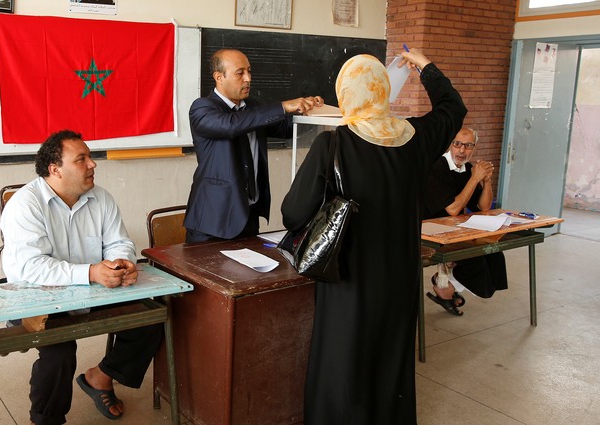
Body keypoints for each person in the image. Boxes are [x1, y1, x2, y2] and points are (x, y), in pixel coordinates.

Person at [281, 51, 466, 423]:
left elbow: (293, 214)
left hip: (348, 278)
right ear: (383, 91)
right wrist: (425, 65)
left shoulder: (333, 145)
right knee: (391, 358)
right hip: (400, 277)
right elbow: (453, 107)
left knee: (344, 361)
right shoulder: (417, 139)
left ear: (346, 92)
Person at [0, 130, 161, 425]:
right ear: (55, 169)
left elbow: (118, 241)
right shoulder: (24, 204)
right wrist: (90, 272)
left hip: (93, 289)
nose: (93, 165)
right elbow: (30, 267)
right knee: (60, 354)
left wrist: (122, 262)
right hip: (39, 296)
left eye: (91, 157)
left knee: (149, 319)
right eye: (82, 159)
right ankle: (45, 420)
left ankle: (100, 377)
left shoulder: (101, 198)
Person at [184, 48, 323, 242]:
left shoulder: (253, 108)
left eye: (249, 71)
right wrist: (283, 106)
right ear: (219, 77)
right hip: (213, 222)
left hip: (248, 216)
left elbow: (285, 128)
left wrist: (310, 111)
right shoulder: (202, 108)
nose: (248, 78)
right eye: (240, 73)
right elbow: (231, 125)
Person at [423, 127, 507, 316]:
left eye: (468, 146)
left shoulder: (468, 169)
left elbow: (484, 207)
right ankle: (446, 285)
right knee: (474, 259)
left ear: (474, 148)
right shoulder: (435, 167)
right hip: (427, 231)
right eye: (457, 144)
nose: (462, 150)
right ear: (449, 145)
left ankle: (448, 284)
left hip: (451, 229)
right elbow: (452, 209)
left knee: (494, 253)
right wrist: (474, 178)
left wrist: (486, 181)